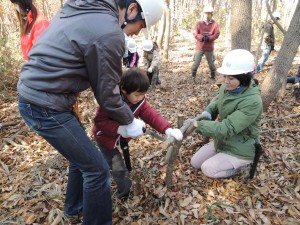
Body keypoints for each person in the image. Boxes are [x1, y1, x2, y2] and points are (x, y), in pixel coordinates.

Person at [17, 0, 164, 224]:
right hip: (45, 104)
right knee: (97, 170)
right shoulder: (108, 30)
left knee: (82, 159)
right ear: (132, 9)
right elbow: (108, 93)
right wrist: (129, 121)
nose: (137, 33)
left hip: (42, 96)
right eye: (141, 25)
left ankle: (74, 208)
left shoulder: (84, 9)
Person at [92, 68, 183, 198]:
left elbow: (152, 116)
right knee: (117, 166)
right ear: (123, 89)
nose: (140, 98)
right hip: (105, 138)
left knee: (119, 162)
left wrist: (167, 129)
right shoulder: (110, 100)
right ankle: (125, 193)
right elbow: (99, 122)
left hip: (122, 138)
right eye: (136, 94)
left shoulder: (139, 101)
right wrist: (120, 129)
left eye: (142, 94)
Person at [190, 49, 263, 179]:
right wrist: (208, 111)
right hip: (223, 140)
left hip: (240, 146)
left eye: (231, 78)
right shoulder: (227, 87)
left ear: (244, 78)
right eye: (225, 76)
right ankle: (222, 156)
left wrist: (198, 125)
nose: (226, 81)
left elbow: (227, 128)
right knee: (195, 162)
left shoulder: (253, 101)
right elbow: (218, 102)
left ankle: (243, 166)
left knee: (208, 169)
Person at [191, 5, 220, 80]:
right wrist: (202, 38)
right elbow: (195, 33)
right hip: (199, 47)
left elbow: (216, 34)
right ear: (203, 14)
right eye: (206, 13)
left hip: (209, 47)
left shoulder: (215, 24)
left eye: (209, 13)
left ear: (211, 14)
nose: (207, 15)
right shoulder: (199, 23)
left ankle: (213, 77)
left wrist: (209, 38)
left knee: (211, 64)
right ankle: (193, 77)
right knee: (196, 64)